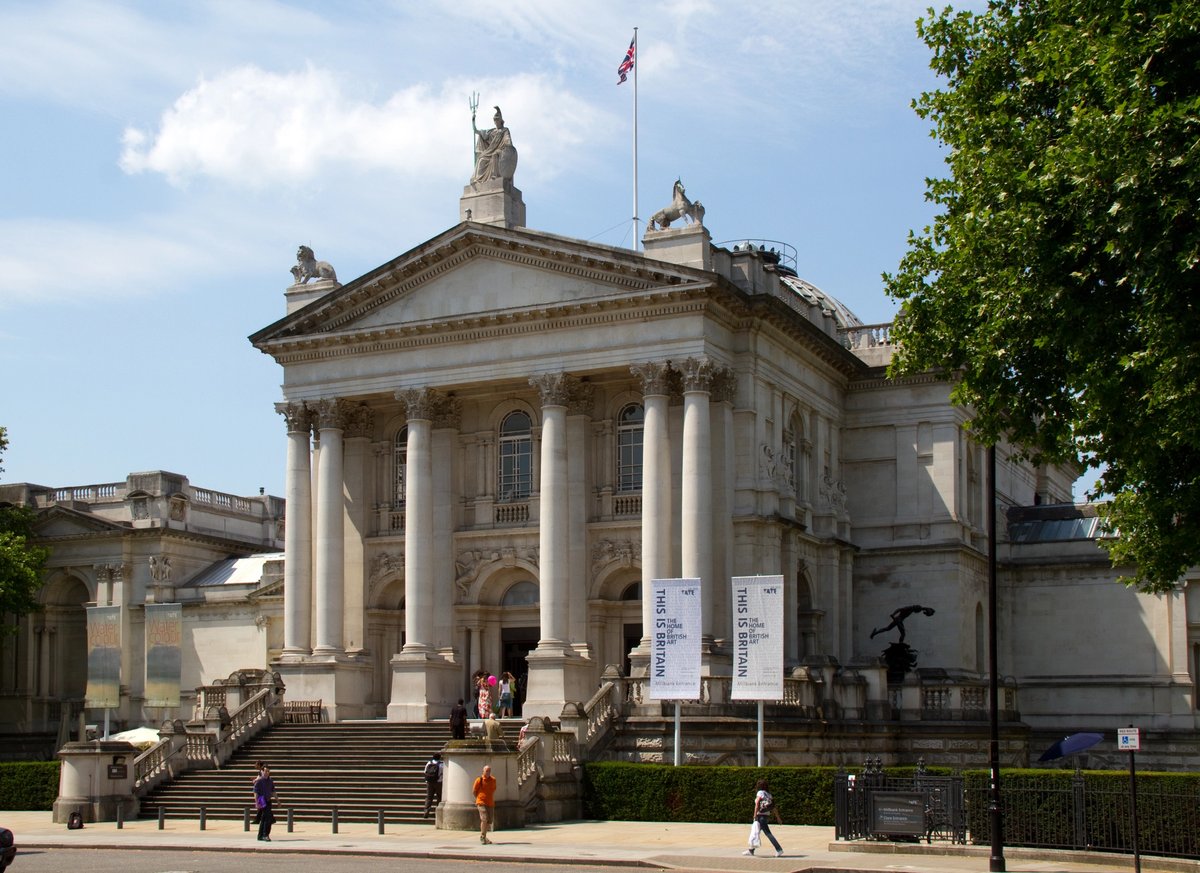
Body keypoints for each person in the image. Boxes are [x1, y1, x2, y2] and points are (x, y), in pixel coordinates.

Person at [471, 106, 517, 185]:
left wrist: (505, 148)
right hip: (489, 152)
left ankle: (494, 176)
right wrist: (473, 122)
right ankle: (478, 181)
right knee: (481, 159)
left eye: (497, 120)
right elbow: (476, 131)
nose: (496, 122)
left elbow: (508, 141)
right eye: (495, 121)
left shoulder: (505, 130)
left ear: (501, 121)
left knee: (495, 155)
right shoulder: (491, 131)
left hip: (500, 151)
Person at [743, 778, 783, 856]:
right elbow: (773, 807)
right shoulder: (769, 795)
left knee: (767, 833)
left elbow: (757, 803)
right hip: (766, 816)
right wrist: (778, 818)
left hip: (760, 816)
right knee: (756, 832)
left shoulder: (760, 793)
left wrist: (755, 815)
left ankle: (779, 849)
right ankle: (751, 850)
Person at [472, 763, 497, 844]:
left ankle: (485, 837)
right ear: (483, 771)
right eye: (486, 771)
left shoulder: (493, 780)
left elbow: (493, 789)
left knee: (489, 821)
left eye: (489, 771)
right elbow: (474, 791)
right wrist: (479, 798)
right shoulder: (479, 780)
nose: (488, 772)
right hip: (481, 802)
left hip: (490, 803)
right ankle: (482, 836)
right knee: (484, 819)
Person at [253, 763, 276, 842]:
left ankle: (260, 835)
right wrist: (257, 802)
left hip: (268, 800)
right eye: (265, 771)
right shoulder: (259, 781)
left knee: (264, 818)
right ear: (262, 771)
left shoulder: (270, 781)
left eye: (268, 771)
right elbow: (255, 792)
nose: (267, 773)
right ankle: (265, 835)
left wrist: (278, 800)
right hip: (261, 799)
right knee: (268, 818)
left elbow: (273, 791)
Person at [422, 752, 443, 819]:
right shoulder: (441, 764)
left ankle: (426, 811)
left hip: (429, 782)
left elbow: (425, 772)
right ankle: (438, 812)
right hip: (438, 782)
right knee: (439, 797)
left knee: (429, 797)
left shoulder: (429, 763)